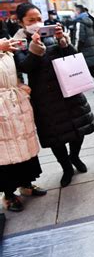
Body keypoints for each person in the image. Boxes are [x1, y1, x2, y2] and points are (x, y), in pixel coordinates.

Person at [13, 3, 94, 187]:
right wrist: (34, 47)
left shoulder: (51, 33)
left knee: (78, 129)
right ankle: (66, 167)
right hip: (44, 97)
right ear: (21, 22)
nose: (36, 23)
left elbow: (73, 56)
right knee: (55, 137)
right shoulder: (18, 42)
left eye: (38, 18)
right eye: (30, 20)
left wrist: (63, 41)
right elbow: (25, 66)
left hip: (68, 89)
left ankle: (74, 156)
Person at [0, 38, 47, 212]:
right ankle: (9, 194)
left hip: (15, 101)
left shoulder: (6, 43)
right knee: (5, 153)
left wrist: (19, 85)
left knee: (24, 146)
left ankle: (27, 185)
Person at [72, 5, 94, 93]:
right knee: (91, 67)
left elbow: (79, 38)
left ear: (78, 11)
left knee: (92, 68)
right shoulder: (88, 20)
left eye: (75, 11)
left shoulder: (80, 22)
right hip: (90, 47)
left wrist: (75, 49)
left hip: (84, 49)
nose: (74, 13)